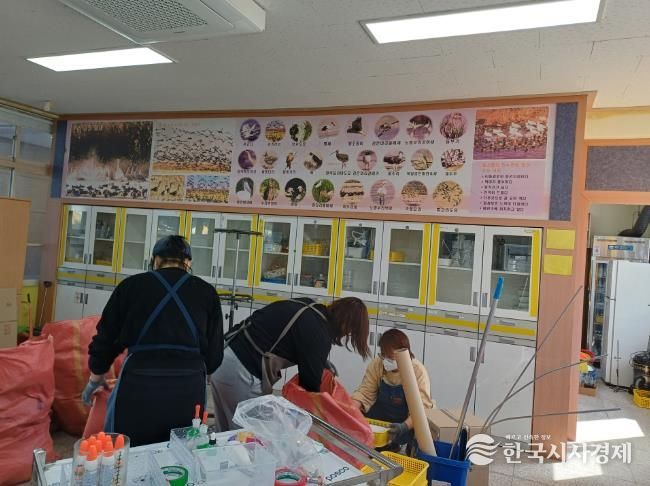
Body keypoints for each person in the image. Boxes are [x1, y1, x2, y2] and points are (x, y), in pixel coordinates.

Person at [83, 235, 223, 446]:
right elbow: (214, 357)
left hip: (138, 386)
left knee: (128, 449)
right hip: (188, 389)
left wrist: (96, 377)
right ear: (188, 262)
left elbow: (106, 339)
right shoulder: (207, 293)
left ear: (155, 260)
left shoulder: (131, 286)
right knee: (181, 449)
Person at [211, 296, 370, 431]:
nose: (346, 335)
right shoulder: (319, 332)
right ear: (346, 325)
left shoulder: (308, 306)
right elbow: (310, 385)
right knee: (249, 439)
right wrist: (329, 413)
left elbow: (299, 340)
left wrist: (320, 362)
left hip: (224, 357)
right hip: (242, 372)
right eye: (350, 332)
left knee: (223, 435)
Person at [352, 329, 433, 449]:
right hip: (380, 422)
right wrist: (350, 409)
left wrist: (404, 427)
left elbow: (421, 410)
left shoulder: (417, 371)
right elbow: (364, 393)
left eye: (390, 357)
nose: (386, 360)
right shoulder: (378, 364)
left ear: (404, 354)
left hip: (405, 424)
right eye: (383, 355)